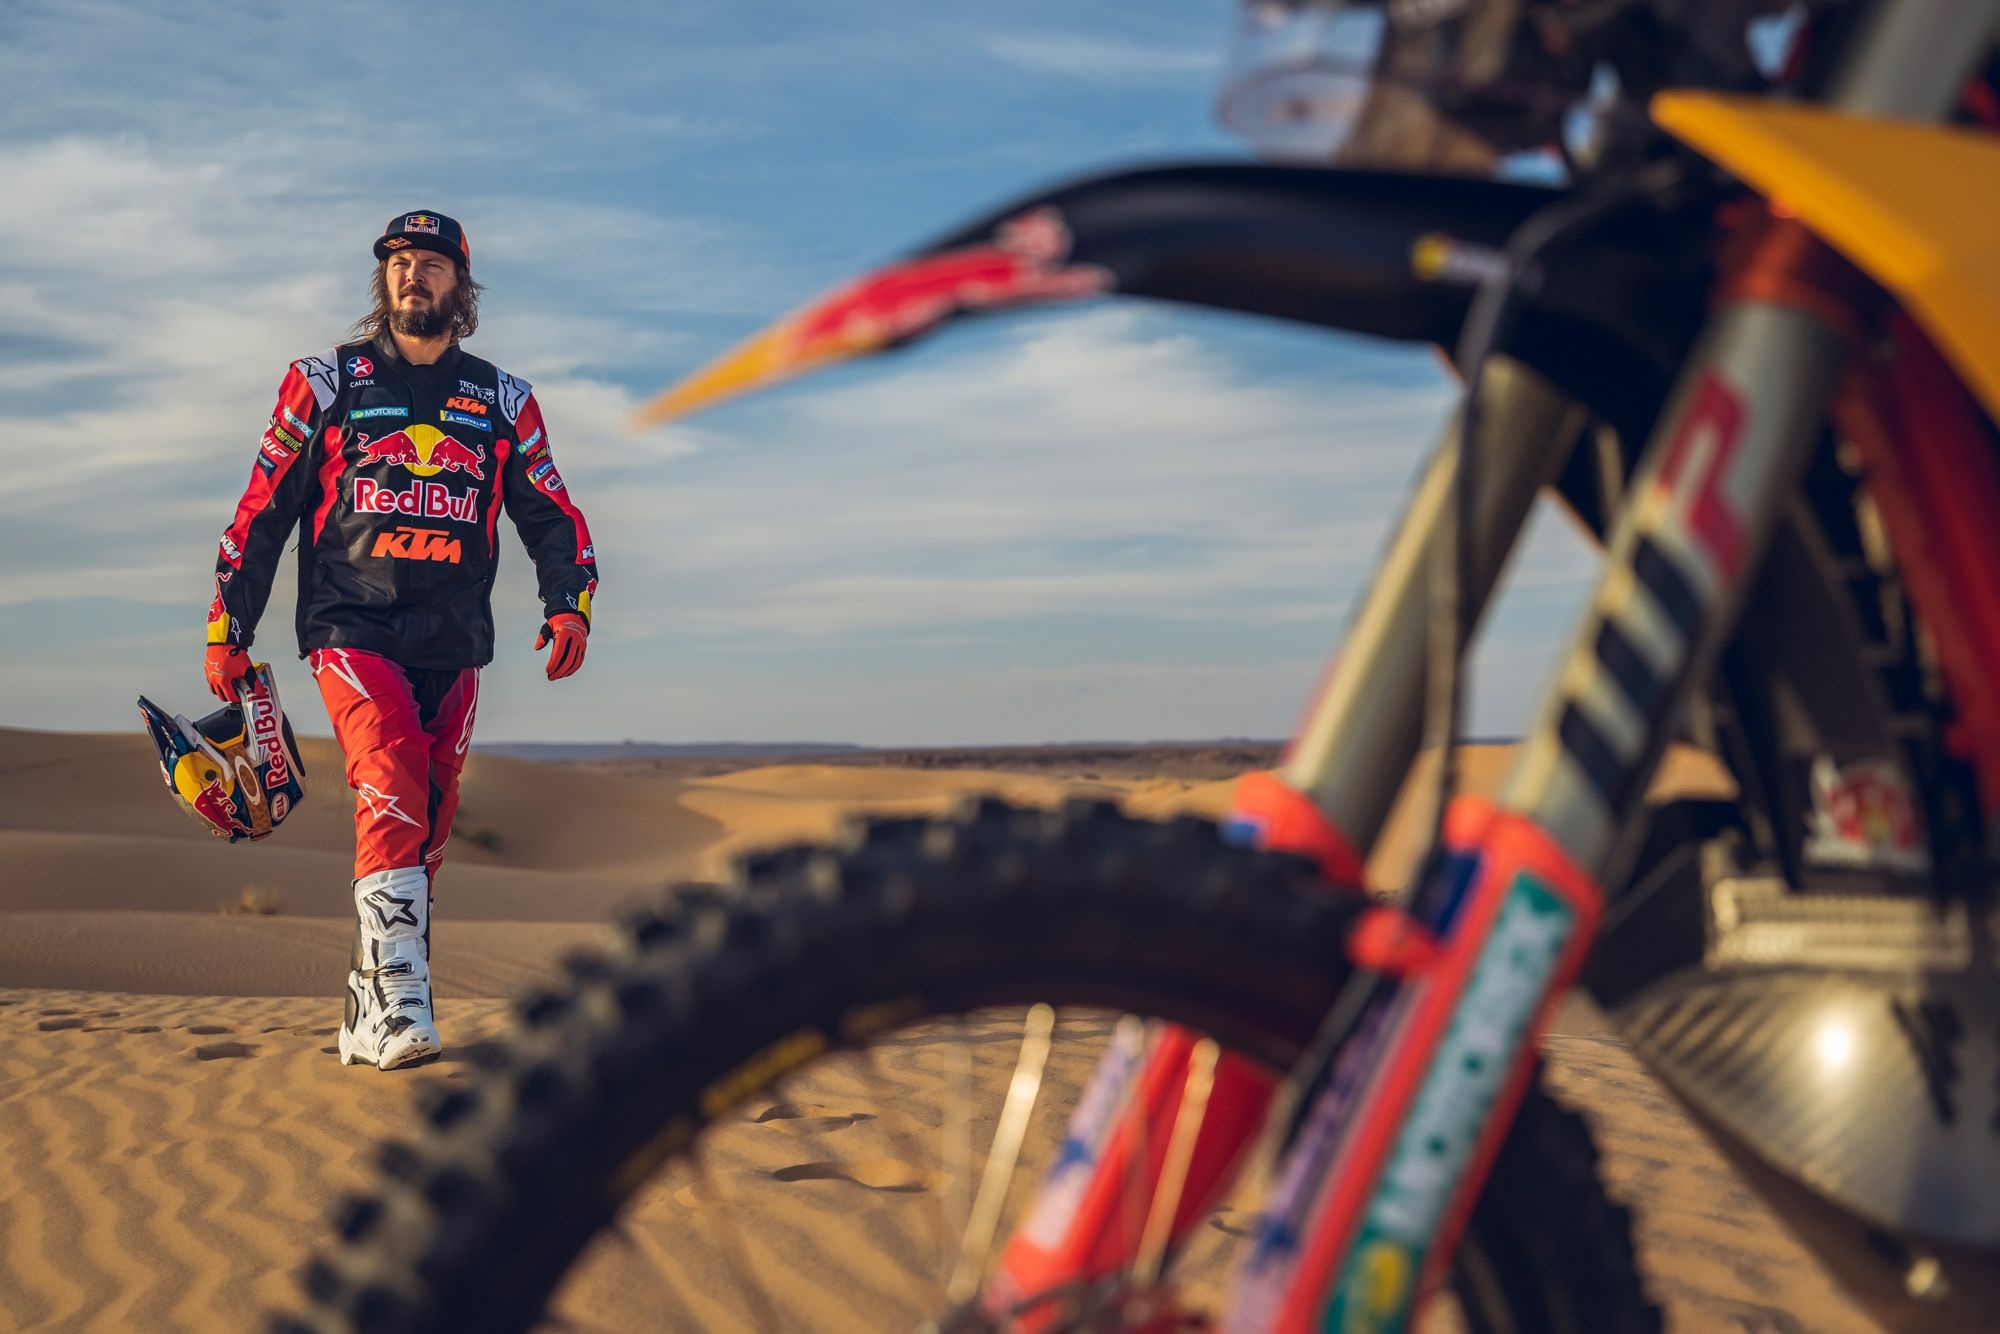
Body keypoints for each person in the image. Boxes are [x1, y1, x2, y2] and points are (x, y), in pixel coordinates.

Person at [202, 210, 599, 1070]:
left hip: (455, 639)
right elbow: (262, 507)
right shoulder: (325, 382)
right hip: (352, 625)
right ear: (382, 283)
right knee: (387, 771)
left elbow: (553, 514)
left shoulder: (504, 399)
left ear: (463, 285)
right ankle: (401, 1007)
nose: (411, 275)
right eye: (398, 263)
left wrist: (569, 603)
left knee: (428, 824)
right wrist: (229, 622)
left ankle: (364, 998)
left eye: (431, 263)